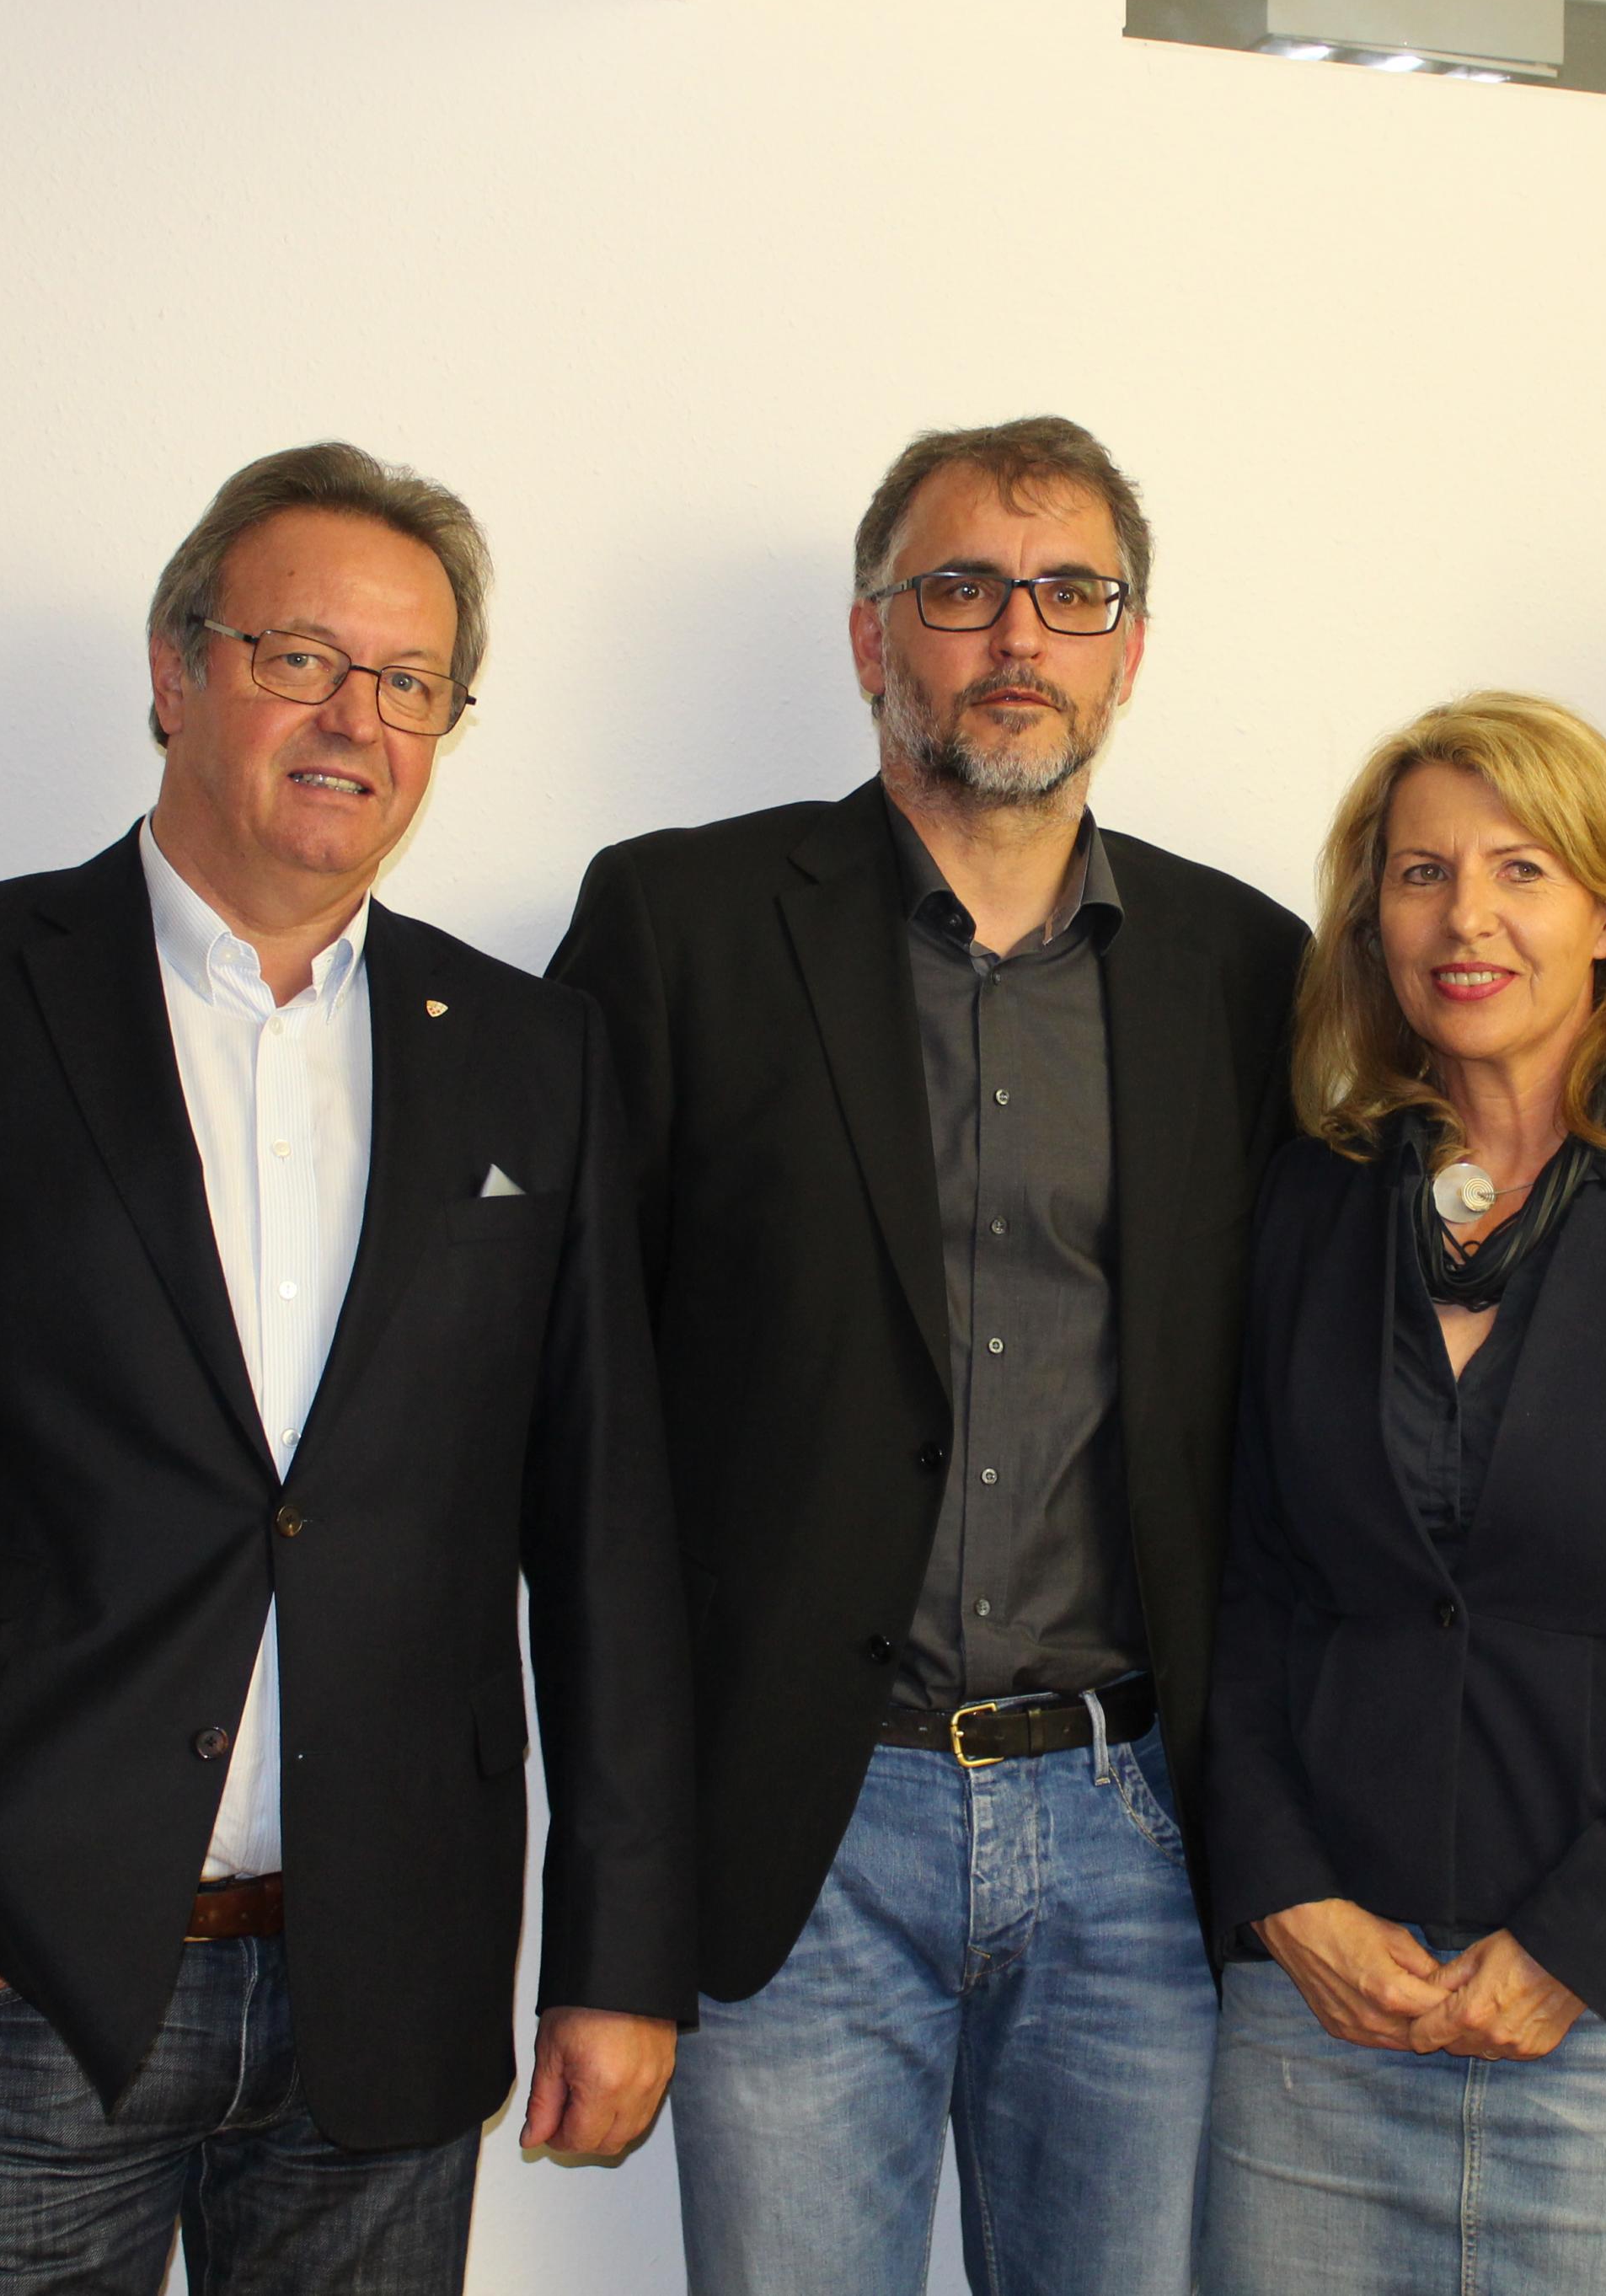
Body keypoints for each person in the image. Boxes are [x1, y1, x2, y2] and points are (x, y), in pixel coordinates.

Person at [0, 442, 693, 2294]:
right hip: (27, 1976)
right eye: (300, 657)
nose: (354, 718)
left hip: (392, 1984)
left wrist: (617, 1958)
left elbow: (605, 1532)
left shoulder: (535, 1055)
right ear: (175, 669)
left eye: (410, 682)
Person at [547, 415, 1308, 2296]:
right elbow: (579, 1436)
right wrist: (612, 1920)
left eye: (1071, 594)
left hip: (1134, 1835)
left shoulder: (1244, 967)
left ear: (1131, 648)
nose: (1017, 636)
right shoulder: (680, 927)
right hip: (804, 1834)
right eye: (962, 588)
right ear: (871, 633)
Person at [1200, 691, 1606, 2293]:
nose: (1467, 918)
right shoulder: (1302, 1202)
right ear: (1372, 921)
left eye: (1522, 870)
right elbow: (1239, 1585)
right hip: (1321, 2010)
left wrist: (1577, 1946)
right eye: (1421, 873)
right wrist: (1282, 1891)